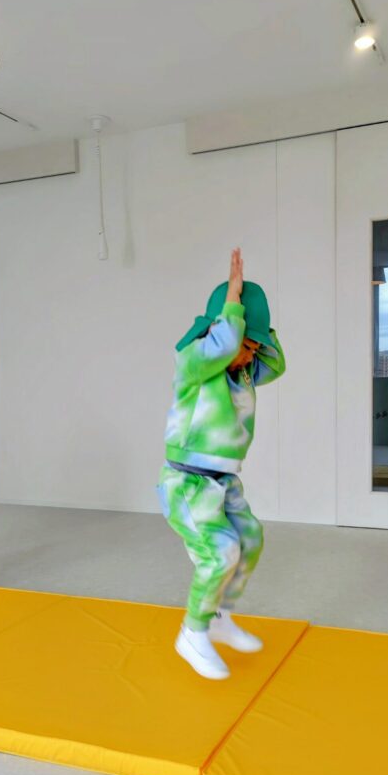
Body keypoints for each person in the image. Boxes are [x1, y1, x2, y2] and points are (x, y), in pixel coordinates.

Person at [157, 249, 286, 680]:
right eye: (244, 346)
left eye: (253, 347)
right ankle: (191, 633)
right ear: (218, 330)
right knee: (220, 553)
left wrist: (257, 322)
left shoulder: (243, 372)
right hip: (186, 484)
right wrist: (232, 300)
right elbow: (226, 344)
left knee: (250, 539)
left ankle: (218, 617)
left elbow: (276, 364)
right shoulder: (194, 364)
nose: (250, 356)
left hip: (222, 481)